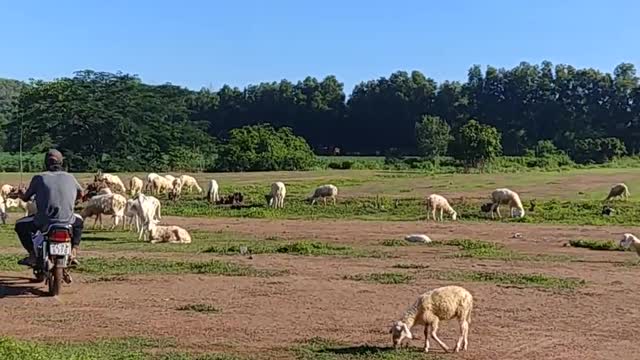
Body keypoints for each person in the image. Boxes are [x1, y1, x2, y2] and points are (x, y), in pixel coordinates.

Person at [14, 149, 84, 267]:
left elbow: (26, 198)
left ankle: (32, 255)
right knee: (79, 222)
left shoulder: (39, 177)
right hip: (68, 221)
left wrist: (21, 193)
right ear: (61, 163)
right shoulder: (70, 177)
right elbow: (81, 193)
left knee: (19, 225)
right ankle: (73, 251)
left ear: (46, 163)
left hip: (43, 221)